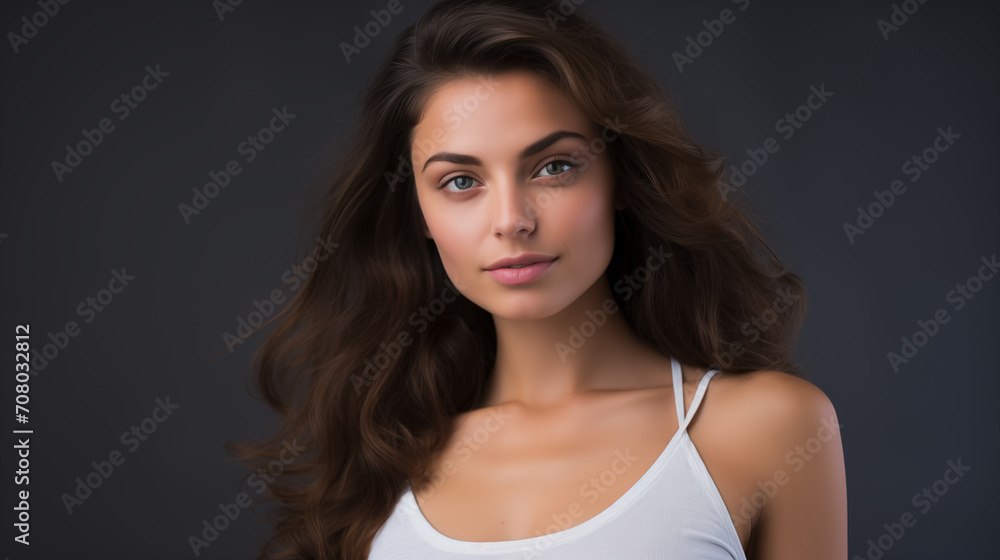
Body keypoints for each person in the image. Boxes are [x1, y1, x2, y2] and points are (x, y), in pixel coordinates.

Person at [228, 0, 848, 558]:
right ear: (418, 210)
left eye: (554, 167)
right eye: (461, 181)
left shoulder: (767, 428)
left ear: (621, 179)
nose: (511, 221)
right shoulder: (382, 454)